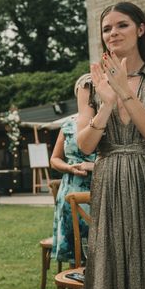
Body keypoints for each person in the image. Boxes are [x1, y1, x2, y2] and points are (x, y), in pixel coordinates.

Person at [59, 1, 145, 289]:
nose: (113, 33)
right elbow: (84, 144)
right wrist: (106, 102)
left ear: (141, 29)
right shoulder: (89, 82)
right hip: (110, 182)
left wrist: (125, 91)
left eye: (122, 25)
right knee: (111, 273)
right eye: (106, 28)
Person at [50, 95, 95, 264]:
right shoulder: (68, 124)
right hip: (71, 188)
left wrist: (95, 165)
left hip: (100, 185)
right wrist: (69, 168)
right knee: (74, 240)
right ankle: (73, 282)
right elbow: (55, 159)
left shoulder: (109, 120)